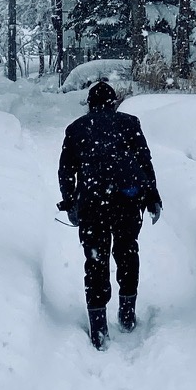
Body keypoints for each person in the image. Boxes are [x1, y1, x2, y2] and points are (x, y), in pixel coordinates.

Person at [58, 79, 162, 350]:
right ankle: (127, 314)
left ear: (90, 104)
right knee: (127, 252)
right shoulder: (130, 124)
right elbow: (144, 162)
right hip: (127, 201)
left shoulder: (77, 129)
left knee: (95, 260)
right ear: (113, 102)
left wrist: (70, 203)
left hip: (92, 204)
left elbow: (66, 171)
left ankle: (98, 325)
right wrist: (152, 197)